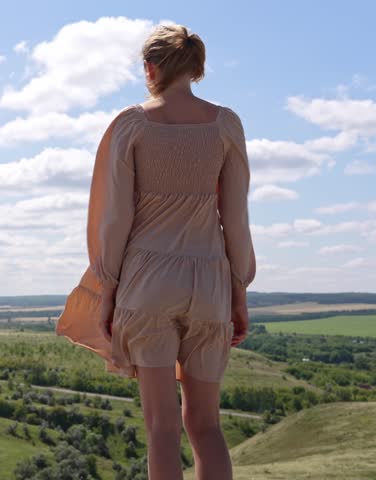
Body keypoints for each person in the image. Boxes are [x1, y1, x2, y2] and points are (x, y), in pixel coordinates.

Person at [55, 24, 256, 480]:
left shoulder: (132, 125)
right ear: (198, 68)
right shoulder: (226, 125)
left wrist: (107, 292)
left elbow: (115, 219)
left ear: (150, 68)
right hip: (209, 283)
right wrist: (238, 292)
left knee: (161, 430)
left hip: (146, 282)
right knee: (206, 426)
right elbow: (237, 219)